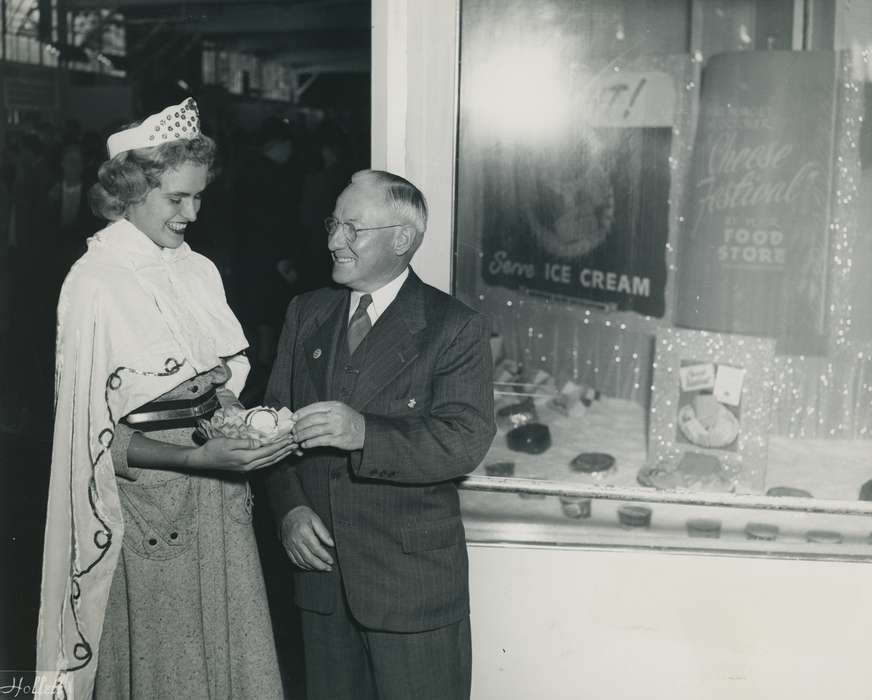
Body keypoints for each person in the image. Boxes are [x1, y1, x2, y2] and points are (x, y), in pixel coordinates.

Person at [36, 98, 291, 700]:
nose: (192, 214)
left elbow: (214, 377)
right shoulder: (94, 283)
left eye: (198, 197)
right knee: (167, 670)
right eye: (177, 199)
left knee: (231, 659)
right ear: (130, 191)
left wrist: (235, 417)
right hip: (153, 513)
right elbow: (89, 442)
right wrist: (194, 457)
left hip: (219, 503)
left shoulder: (196, 269)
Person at [264, 169, 496, 700]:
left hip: (410, 586)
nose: (333, 241)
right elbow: (273, 422)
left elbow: (465, 439)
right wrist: (290, 510)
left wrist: (365, 433)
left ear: (401, 239)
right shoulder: (306, 311)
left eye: (353, 228)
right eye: (333, 224)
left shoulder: (453, 326)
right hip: (321, 581)